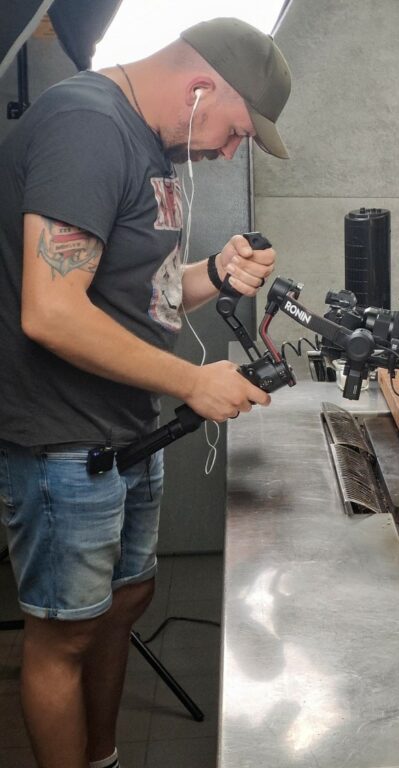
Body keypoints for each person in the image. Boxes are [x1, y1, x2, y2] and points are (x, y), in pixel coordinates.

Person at [0, 17, 291, 768]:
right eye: (233, 132)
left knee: (125, 603)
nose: (228, 152)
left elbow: (146, 296)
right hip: (62, 439)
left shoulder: (147, 144)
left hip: (125, 426)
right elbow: (51, 310)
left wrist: (215, 275)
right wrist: (194, 380)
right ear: (200, 88)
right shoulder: (87, 127)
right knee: (64, 633)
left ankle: (103, 756)